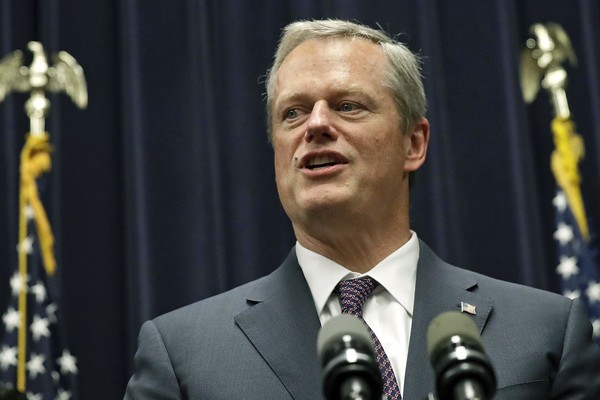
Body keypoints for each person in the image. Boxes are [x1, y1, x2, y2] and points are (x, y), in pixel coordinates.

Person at [124, 19, 600, 399]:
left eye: (347, 106)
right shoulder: (184, 354)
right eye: (293, 112)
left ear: (413, 143)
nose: (315, 125)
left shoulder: (544, 330)